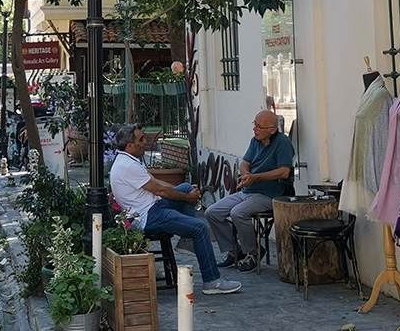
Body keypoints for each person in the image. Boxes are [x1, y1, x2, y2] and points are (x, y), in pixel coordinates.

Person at [110, 124, 241, 295]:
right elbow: (161, 191)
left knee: (185, 187)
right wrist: (189, 198)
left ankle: (187, 241)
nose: (145, 141)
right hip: (148, 216)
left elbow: (158, 184)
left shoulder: (128, 161)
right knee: (200, 228)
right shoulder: (128, 166)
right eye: (141, 139)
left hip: (153, 207)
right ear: (130, 146)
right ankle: (212, 282)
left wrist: (187, 193)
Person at [205, 110, 294, 271]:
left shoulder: (283, 143)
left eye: (259, 126)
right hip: (248, 191)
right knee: (212, 212)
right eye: (254, 124)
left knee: (238, 213)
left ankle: (254, 252)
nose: (255, 129)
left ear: (272, 130)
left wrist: (256, 177)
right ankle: (235, 251)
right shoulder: (256, 141)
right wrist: (246, 174)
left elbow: (284, 171)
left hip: (269, 194)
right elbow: (245, 162)